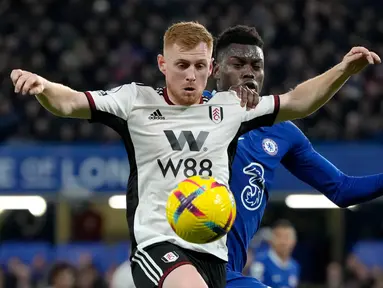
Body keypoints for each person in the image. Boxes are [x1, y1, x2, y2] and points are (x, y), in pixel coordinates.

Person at [10, 20, 379, 288]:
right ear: (162, 65)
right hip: (158, 246)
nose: (191, 75)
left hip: (214, 256)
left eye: (199, 66)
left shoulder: (232, 111)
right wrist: (44, 87)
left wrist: (344, 69)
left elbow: (300, 101)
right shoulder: (135, 101)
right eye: (182, 65)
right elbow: (72, 102)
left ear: (210, 69)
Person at [209, 24, 382, 287]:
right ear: (215, 69)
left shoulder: (282, 133)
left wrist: (343, 70)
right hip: (181, 264)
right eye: (238, 64)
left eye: (256, 66)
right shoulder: (193, 111)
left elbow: (343, 188)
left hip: (225, 274)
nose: (249, 72)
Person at [251, 220, 300, 288]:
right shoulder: (260, 263)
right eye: (279, 236)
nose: (283, 242)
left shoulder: (294, 266)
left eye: (287, 237)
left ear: (294, 241)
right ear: (271, 239)